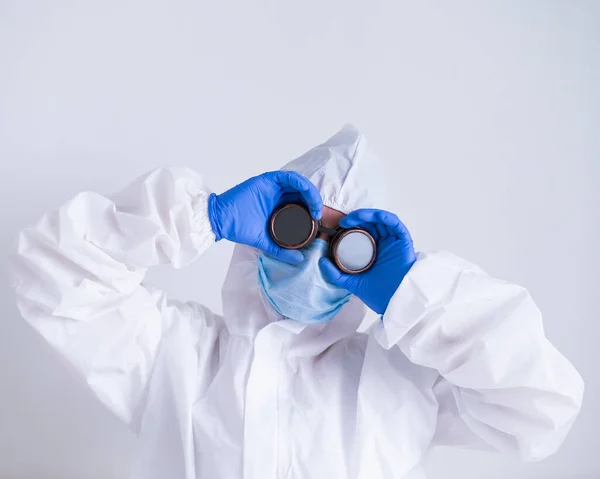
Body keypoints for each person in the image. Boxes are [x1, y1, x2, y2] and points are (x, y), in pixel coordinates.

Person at [9, 124, 583, 479]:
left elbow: (541, 406)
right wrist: (200, 217)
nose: (313, 259)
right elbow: (51, 273)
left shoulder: (403, 380)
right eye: (297, 230)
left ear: (373, 261)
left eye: (346, 246)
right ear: (260, 232)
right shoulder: (178, 357)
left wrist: (415, 290)